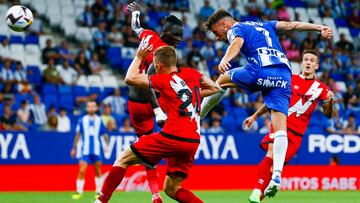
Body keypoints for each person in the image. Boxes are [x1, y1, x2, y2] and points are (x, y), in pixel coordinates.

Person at [200, 9, 333, 197]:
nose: (218, 38)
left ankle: (197, 118)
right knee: (280, 128)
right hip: (284, 75)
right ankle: (277, 174)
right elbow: (291, 25)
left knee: (222, 80)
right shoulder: (265, 25)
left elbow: (237, 42)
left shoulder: (236, 27)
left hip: (260, 70)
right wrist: (319, 27)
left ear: (224, 25)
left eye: (216, 33)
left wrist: (225, 59)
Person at [94, 44, 218, 203]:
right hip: (193, 140)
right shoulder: (193, 73)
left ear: (158, 65)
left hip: (173, 135)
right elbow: (214, 88)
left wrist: (139, 56)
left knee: (123, 159)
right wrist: (191, 97)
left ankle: (101, 200)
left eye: (155, 64)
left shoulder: (162, 79)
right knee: (171, 189)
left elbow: (130, 78)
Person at [244, 50, 334, 202]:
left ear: (316, 66)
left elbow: (328, 114)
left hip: (296, 134)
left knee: (274, 169)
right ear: (302, 62)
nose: (308, 62)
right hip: (280, 124)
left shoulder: (321, 89)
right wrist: (254, 116)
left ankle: (260, 195)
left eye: (312, 60)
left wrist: (329, 101)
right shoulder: (289, 79)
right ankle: (257, 189)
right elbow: (272, 102)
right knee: (271, 153)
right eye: (306, 59)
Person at [125, 2, 183, 202]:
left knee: (146, 147)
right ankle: (166, 186)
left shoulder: (149, 35)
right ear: (166, 32)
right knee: (169, 139)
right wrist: (158, 109)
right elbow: (150, 79)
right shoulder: (164, 51)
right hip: (149, 104)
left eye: (181, 36)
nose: (179, 39)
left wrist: (136, 13)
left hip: (135, 103)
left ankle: (156, 194)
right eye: (176, 35)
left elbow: (136, 27)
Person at [71, 101, 109, 199]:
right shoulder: (82, 120)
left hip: (96, 150)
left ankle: (98, 191)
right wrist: (74, 148)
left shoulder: (99, 120)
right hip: (85, 150)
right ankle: (79, 192)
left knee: (98, 170)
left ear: (96, 108)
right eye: (89, 106)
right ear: (86, 108)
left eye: (93, 106)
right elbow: (78, 135)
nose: (91, 108)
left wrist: (107, 146)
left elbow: (104, 134)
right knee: (82, 170)